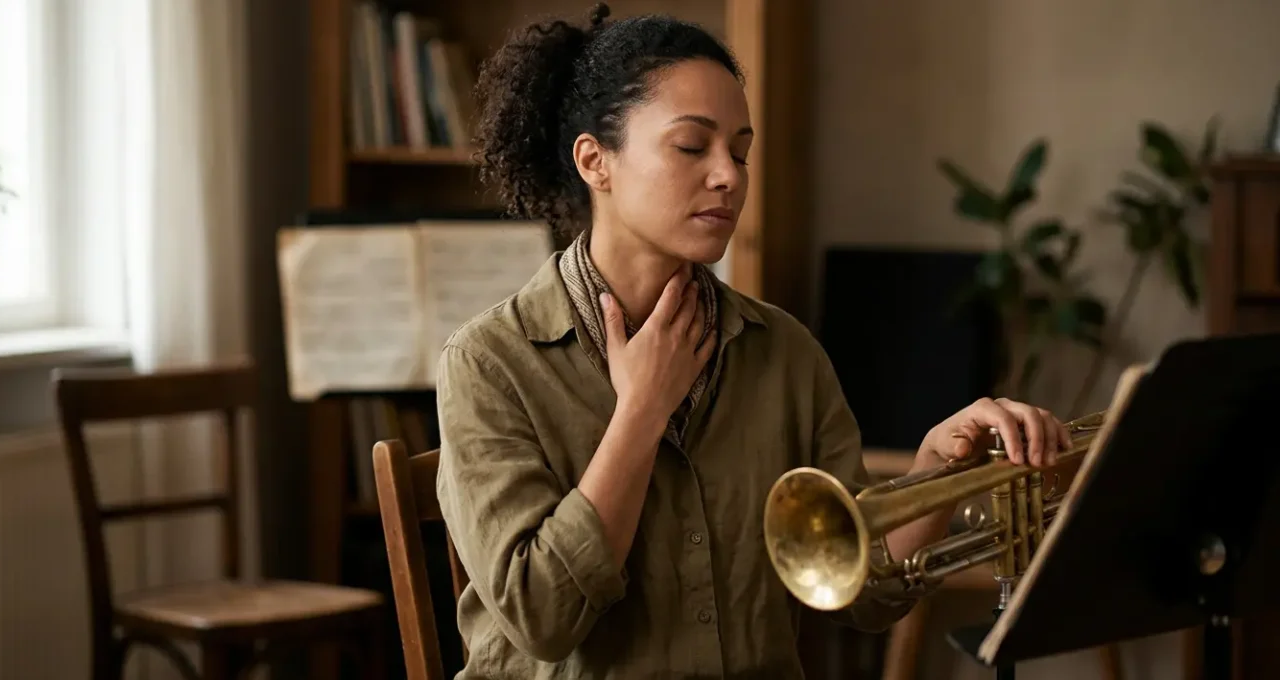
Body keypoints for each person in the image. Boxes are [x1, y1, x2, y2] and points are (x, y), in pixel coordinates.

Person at [433, 4, 1071, 678]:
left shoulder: (785, 351)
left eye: (739, 151)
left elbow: (867, 592)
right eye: (691, 146)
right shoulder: (489, 363)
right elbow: (542, 617)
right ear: (596, 161)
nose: (729, 175)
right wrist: (642, 413)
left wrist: (938, 468)